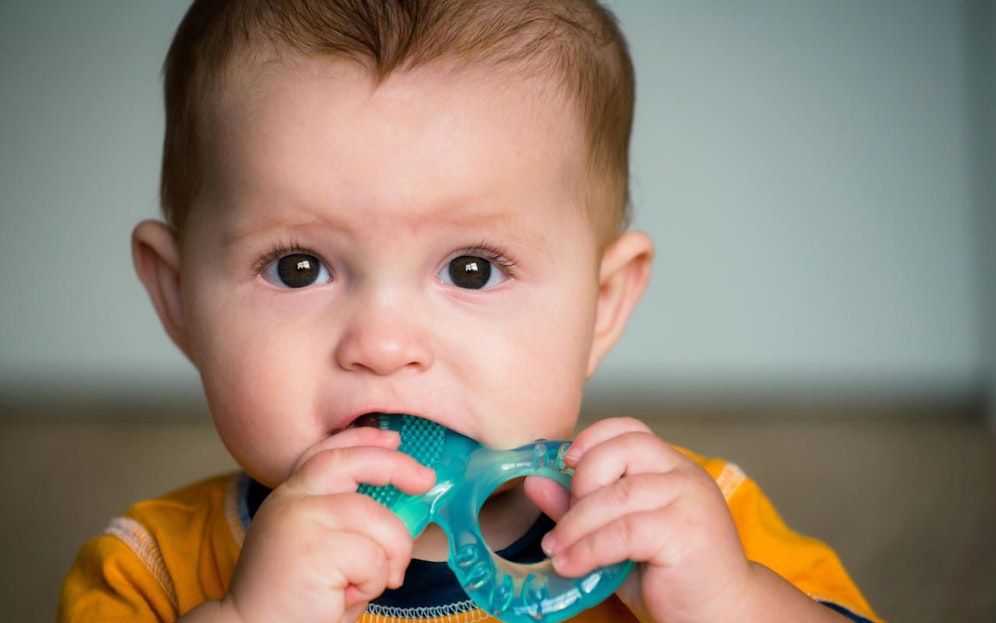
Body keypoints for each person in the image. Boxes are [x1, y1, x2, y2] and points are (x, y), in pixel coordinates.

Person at [59, 1, 881, 622]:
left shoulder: (683, 524)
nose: (384, 344)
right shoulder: (154, 569)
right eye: (298, 266)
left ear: (600, 306)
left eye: (472, 268)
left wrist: (731, 600)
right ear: (178, 299)